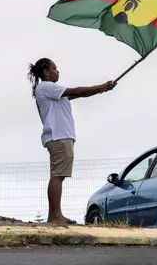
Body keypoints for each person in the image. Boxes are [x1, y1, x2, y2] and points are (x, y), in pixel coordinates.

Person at [27, 58, 116, 224]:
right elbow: (77, 91)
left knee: (58, 175)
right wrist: (102, 86)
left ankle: (54, 216)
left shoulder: (52, 91)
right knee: (57, 175)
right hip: (58, 137)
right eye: (55, 68)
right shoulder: (47, 87)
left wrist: (101, 90)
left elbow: (80, 94)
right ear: (46, 72)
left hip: (60, 137)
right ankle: (56, 216)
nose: (57, 71)